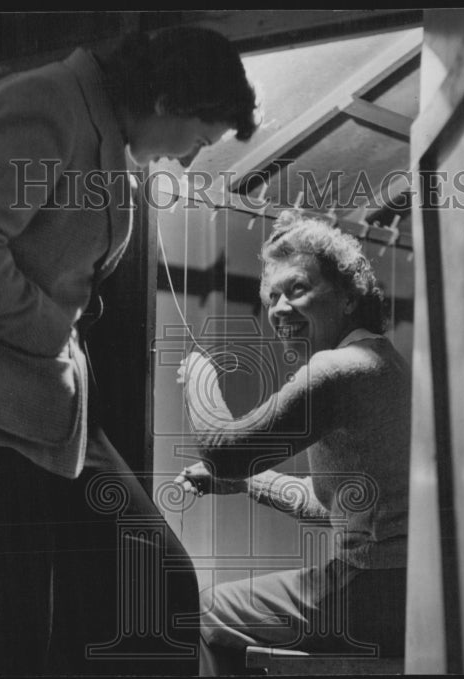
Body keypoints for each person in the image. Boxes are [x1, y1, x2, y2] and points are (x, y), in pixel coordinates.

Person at [0, 26, 257, 677]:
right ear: (166, 98)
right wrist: (51, 331)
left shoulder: (99, 128)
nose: (190, 159)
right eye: (197, 137)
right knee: (0, 633)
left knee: (155, 579)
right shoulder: (45, 107)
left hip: (36, 403)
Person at [175, 211, 410, 675]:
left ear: (347, 297)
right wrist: (247, 485)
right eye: (272, 296)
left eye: (298, 289)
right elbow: (340, 509)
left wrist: (199, 380)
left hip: (370, 588)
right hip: (402, 591)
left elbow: (224, 450)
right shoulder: (383, 363)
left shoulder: (341, 369)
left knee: (205, 611)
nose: (280, 309)